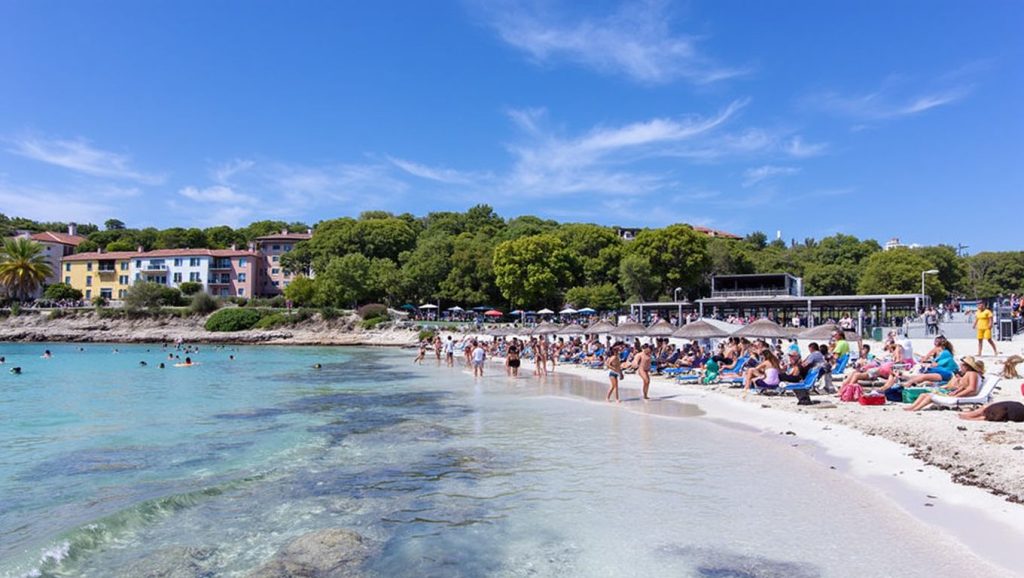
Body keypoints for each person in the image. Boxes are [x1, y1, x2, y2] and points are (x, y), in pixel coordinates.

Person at [904, 356, 984, 411]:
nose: (960, 368)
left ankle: (915, 409)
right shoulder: (969, 374)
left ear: (967, 366)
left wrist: (957, 396)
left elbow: (971, 388)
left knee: (930, 396)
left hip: (964, 397)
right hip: (959, 395)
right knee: (923, 395)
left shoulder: (972, 373)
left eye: (962, 366)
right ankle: (911, 407)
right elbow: (963, 387)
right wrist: (955, 392)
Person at [958, 400, 1024, 422]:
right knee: (985, 410)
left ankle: (969, 416)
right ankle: (969, 415)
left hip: (1010, 410)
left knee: (986, 413)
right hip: (1016, 409)